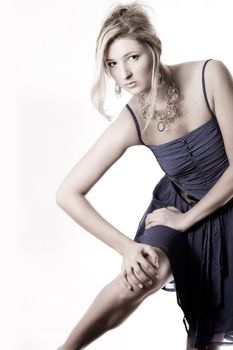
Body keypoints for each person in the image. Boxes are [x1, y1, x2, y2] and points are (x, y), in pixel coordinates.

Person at [56, 2, 233, 349]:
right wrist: (127, 248)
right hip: (175, 209)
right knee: (137, 277)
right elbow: (68, 193)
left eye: (132, 57)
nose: (124, 74)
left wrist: (187, 221)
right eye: (112, 64)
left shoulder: (209, 75)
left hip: (223, 213)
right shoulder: (132, 120)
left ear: (154, 48)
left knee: (203, 341)